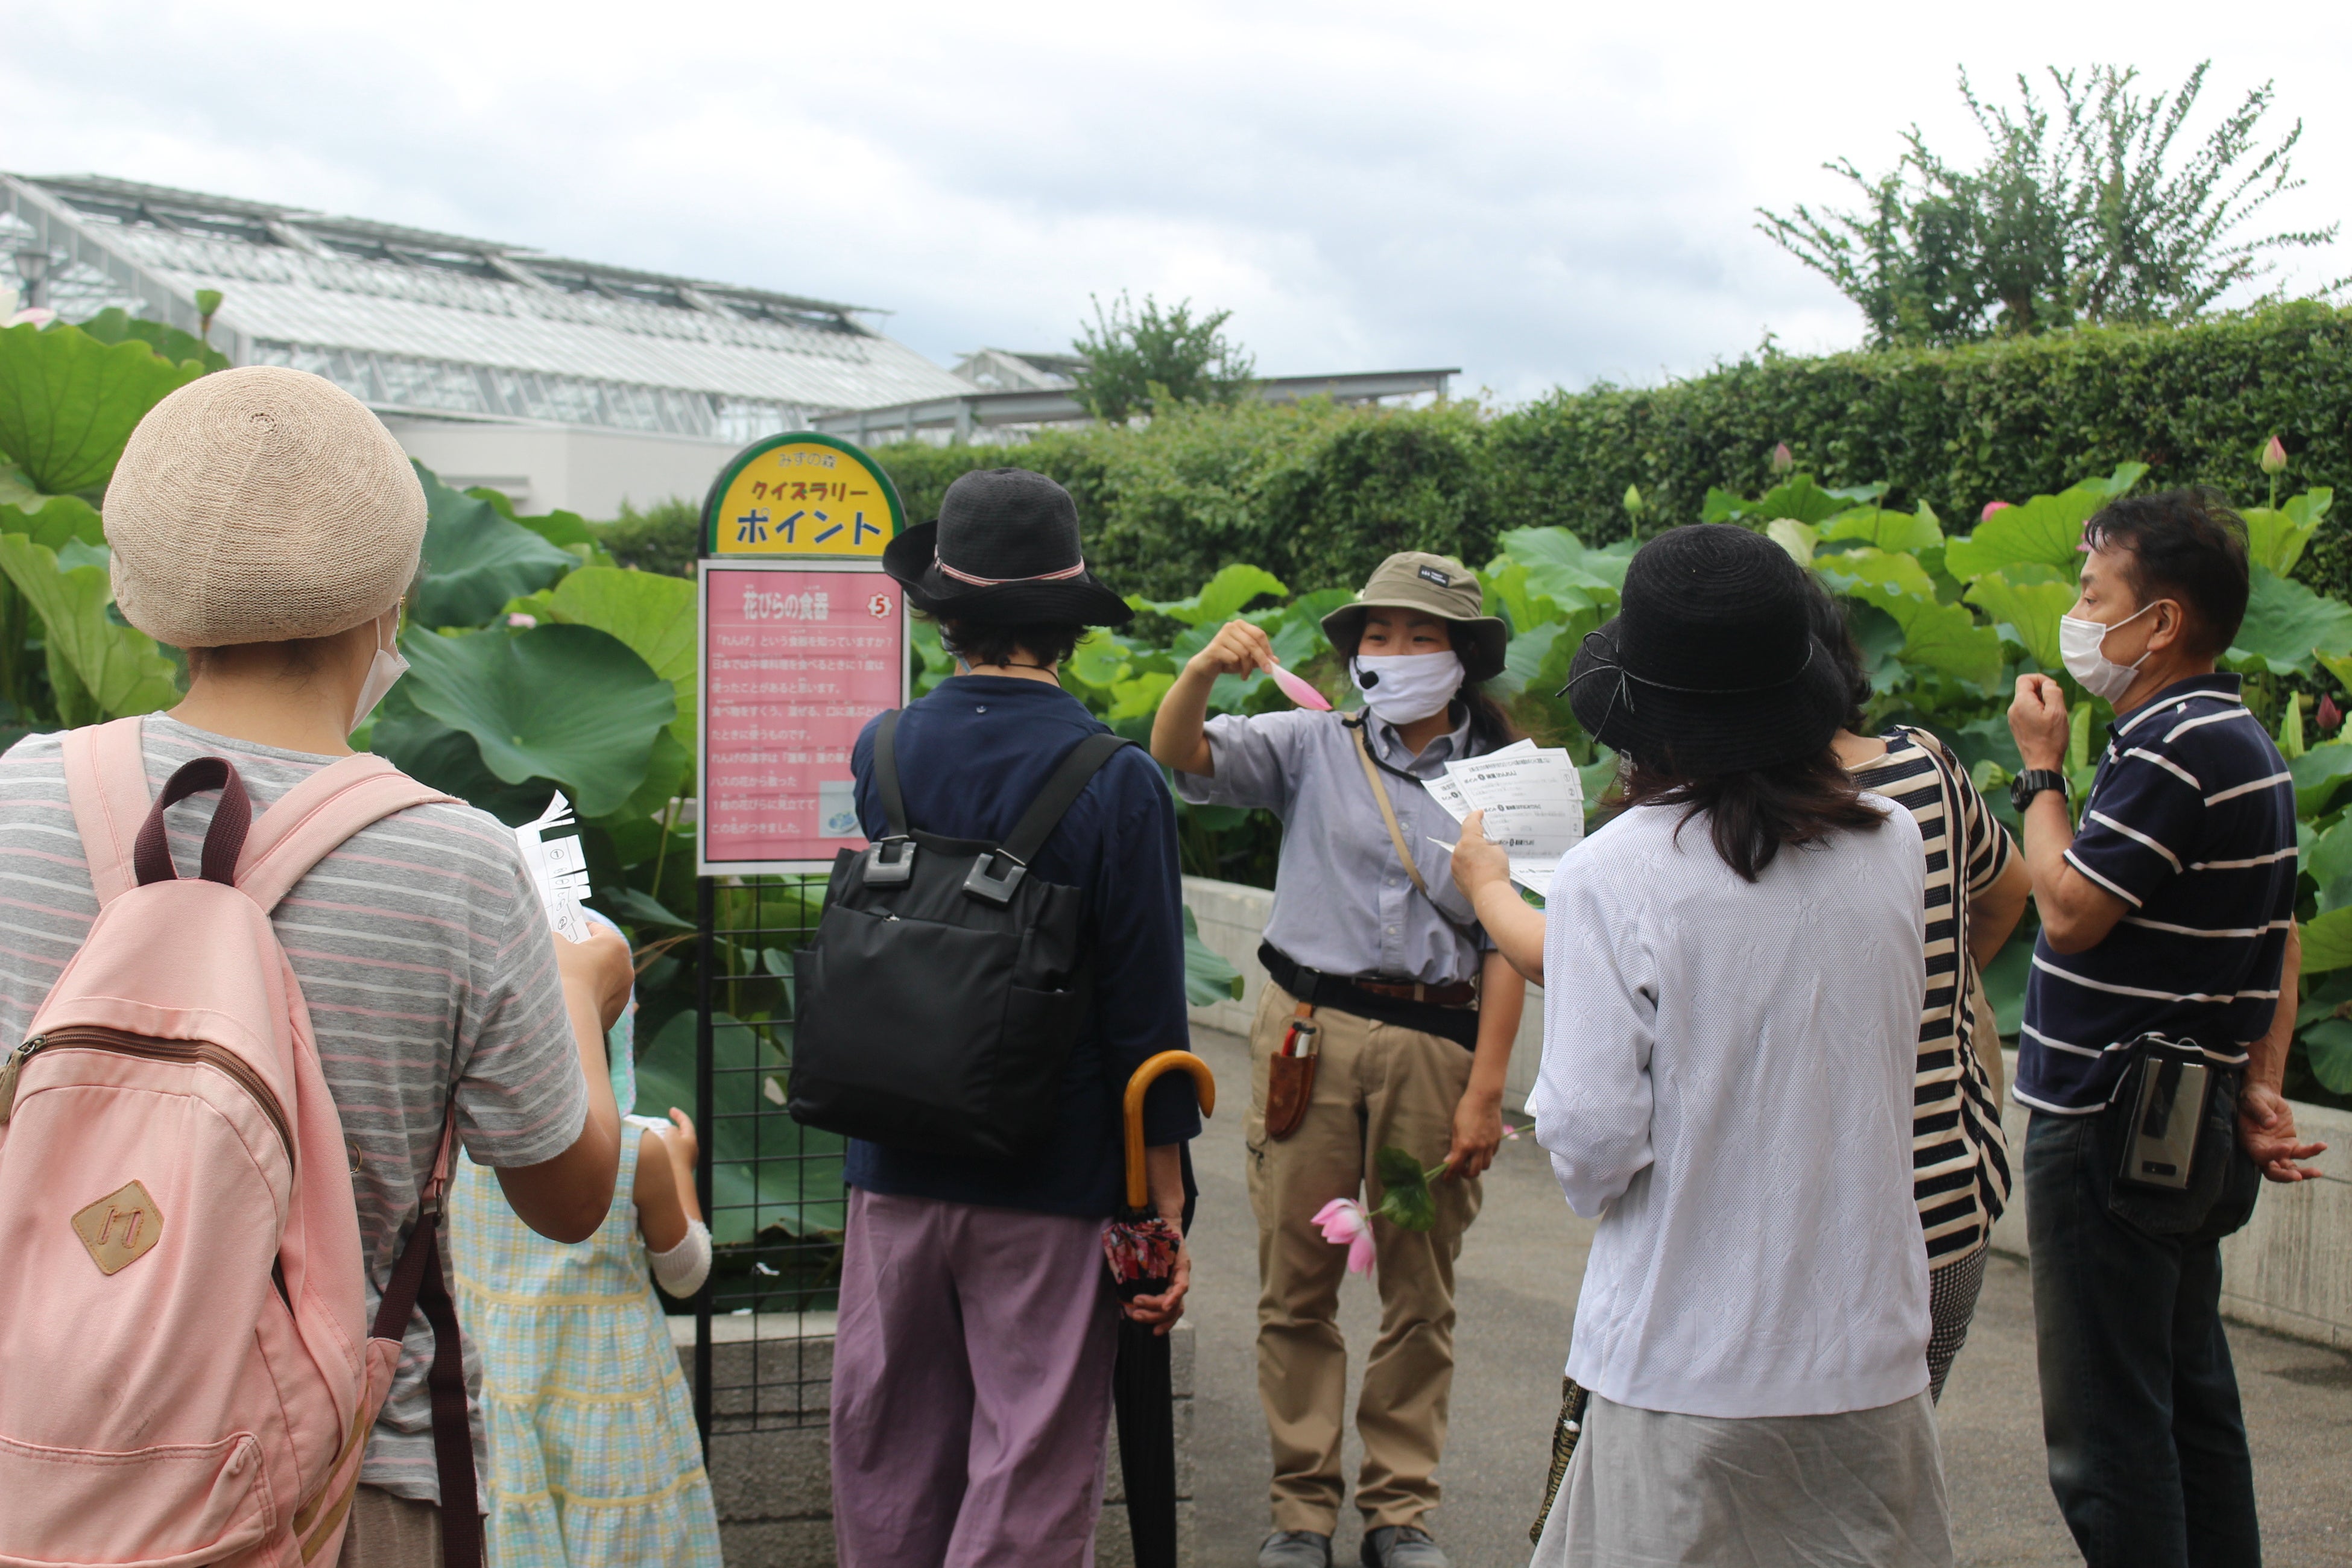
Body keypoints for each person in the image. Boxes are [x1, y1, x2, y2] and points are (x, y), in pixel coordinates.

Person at [0, 366, 633, 1566]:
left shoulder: (18, 798)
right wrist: (579, 997)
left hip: (37, 1459)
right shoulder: (450, 859)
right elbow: (567, 1197)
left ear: (141, 595)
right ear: (394, 594)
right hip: (338, 1481)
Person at [1457, 522, 1953, 1568]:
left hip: (1685, 1358)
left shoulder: (1612, 874)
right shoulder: (1893, 844)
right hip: (1869, 1352)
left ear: (1649, 718)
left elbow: (1591, 1145)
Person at [828, 467, 1201, 1567]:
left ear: (944, 614)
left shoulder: (882, 752)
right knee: (1028, 1467)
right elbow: (1148, 1010)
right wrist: (1164, 1206)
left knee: (890, 1453)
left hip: (892, 1160)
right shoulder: (1116, 779)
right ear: (1065, 624)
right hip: (1051, 1175)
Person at [1150, 551, 1530, 1568]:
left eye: (1422, 636)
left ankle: (1401, 1513)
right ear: (1354, 650)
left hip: (1433, 1059)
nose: (1396, 653)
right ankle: (1301, 1512)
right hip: (1306, 1051)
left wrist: (1487, 1092)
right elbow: (1179, 755)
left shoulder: (1508, 778)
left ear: (1463, 657)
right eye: (1378, 634)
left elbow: (1510, 943)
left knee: (1417, 1282)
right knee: (1298, 1279)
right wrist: (1199, 673)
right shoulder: (1309, 743)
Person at [2005, 488, 2324, 1567]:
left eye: (2096, 595)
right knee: (2189, 1403)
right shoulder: (2240, 740)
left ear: (2164, 623)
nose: (2079, 614)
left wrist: (2042, 771)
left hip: (2110, 1120)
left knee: (2109, 1429)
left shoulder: (2173, 744)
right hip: (2187, 1118)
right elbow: (2280, 939)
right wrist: (2260, 1076)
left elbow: (2070, 909)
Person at [1808, 581, 2029, 1400]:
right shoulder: (1926, 764)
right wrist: (1942, 977)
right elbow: (2009, 887)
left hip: (1816, 1232)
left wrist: (1490, 887)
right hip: (1948, 1204)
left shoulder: (1747, 805)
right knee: (1895, 1471)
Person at [449, 910, 722, 1568]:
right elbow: (685, 1272)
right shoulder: (640, 1148)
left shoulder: (463, 1135)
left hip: (500, 1376)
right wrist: (681, 1171)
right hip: (610, 1387)